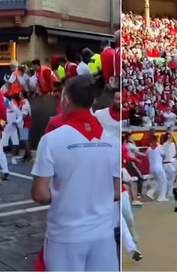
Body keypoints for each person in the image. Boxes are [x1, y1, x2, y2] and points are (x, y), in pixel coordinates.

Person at [31, 75, 120, 272]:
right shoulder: (112, 141)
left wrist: (69, 194)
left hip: (66, 235)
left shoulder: (51, 140)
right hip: (103, 235)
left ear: (66, 100)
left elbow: (39, 193)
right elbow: (116, 191)